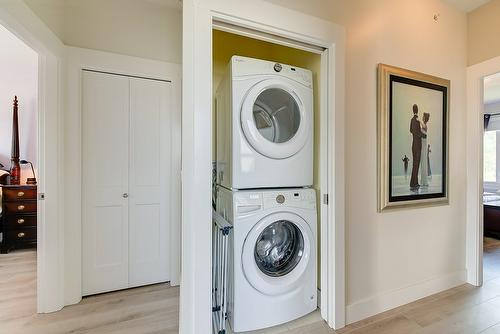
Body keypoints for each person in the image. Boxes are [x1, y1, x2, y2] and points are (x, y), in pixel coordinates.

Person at [409, 104, 423, 190]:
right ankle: (414, 183)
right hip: (418, 145)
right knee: (416, 164)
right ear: (417, 110)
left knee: (415, 164)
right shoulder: (417, 121)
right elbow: (418, 133)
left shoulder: (411, 120)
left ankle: (413, 182)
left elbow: (411, 130)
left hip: (413, 144)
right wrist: (422, 135)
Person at [420, 112, 430, 187]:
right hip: (423, 143)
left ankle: (424, 181)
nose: (422, 117)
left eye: (423, 116)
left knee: (423, 161)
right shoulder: (424, 125)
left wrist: (418, 120)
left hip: (423, 144)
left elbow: (422, 125)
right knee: (423, 161)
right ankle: (423, 180)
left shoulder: (425, 125)